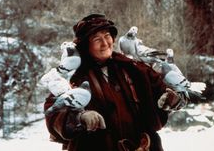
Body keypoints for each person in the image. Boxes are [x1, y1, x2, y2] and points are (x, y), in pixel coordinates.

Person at [44, 14, 188, 151]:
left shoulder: (133, 68)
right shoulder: (73, 76)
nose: (105, 43)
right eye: (96, 39)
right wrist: (78, 117)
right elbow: (53, 113)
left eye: (107, 36)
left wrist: (173, 98)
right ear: (85, 46)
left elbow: (168, 90)